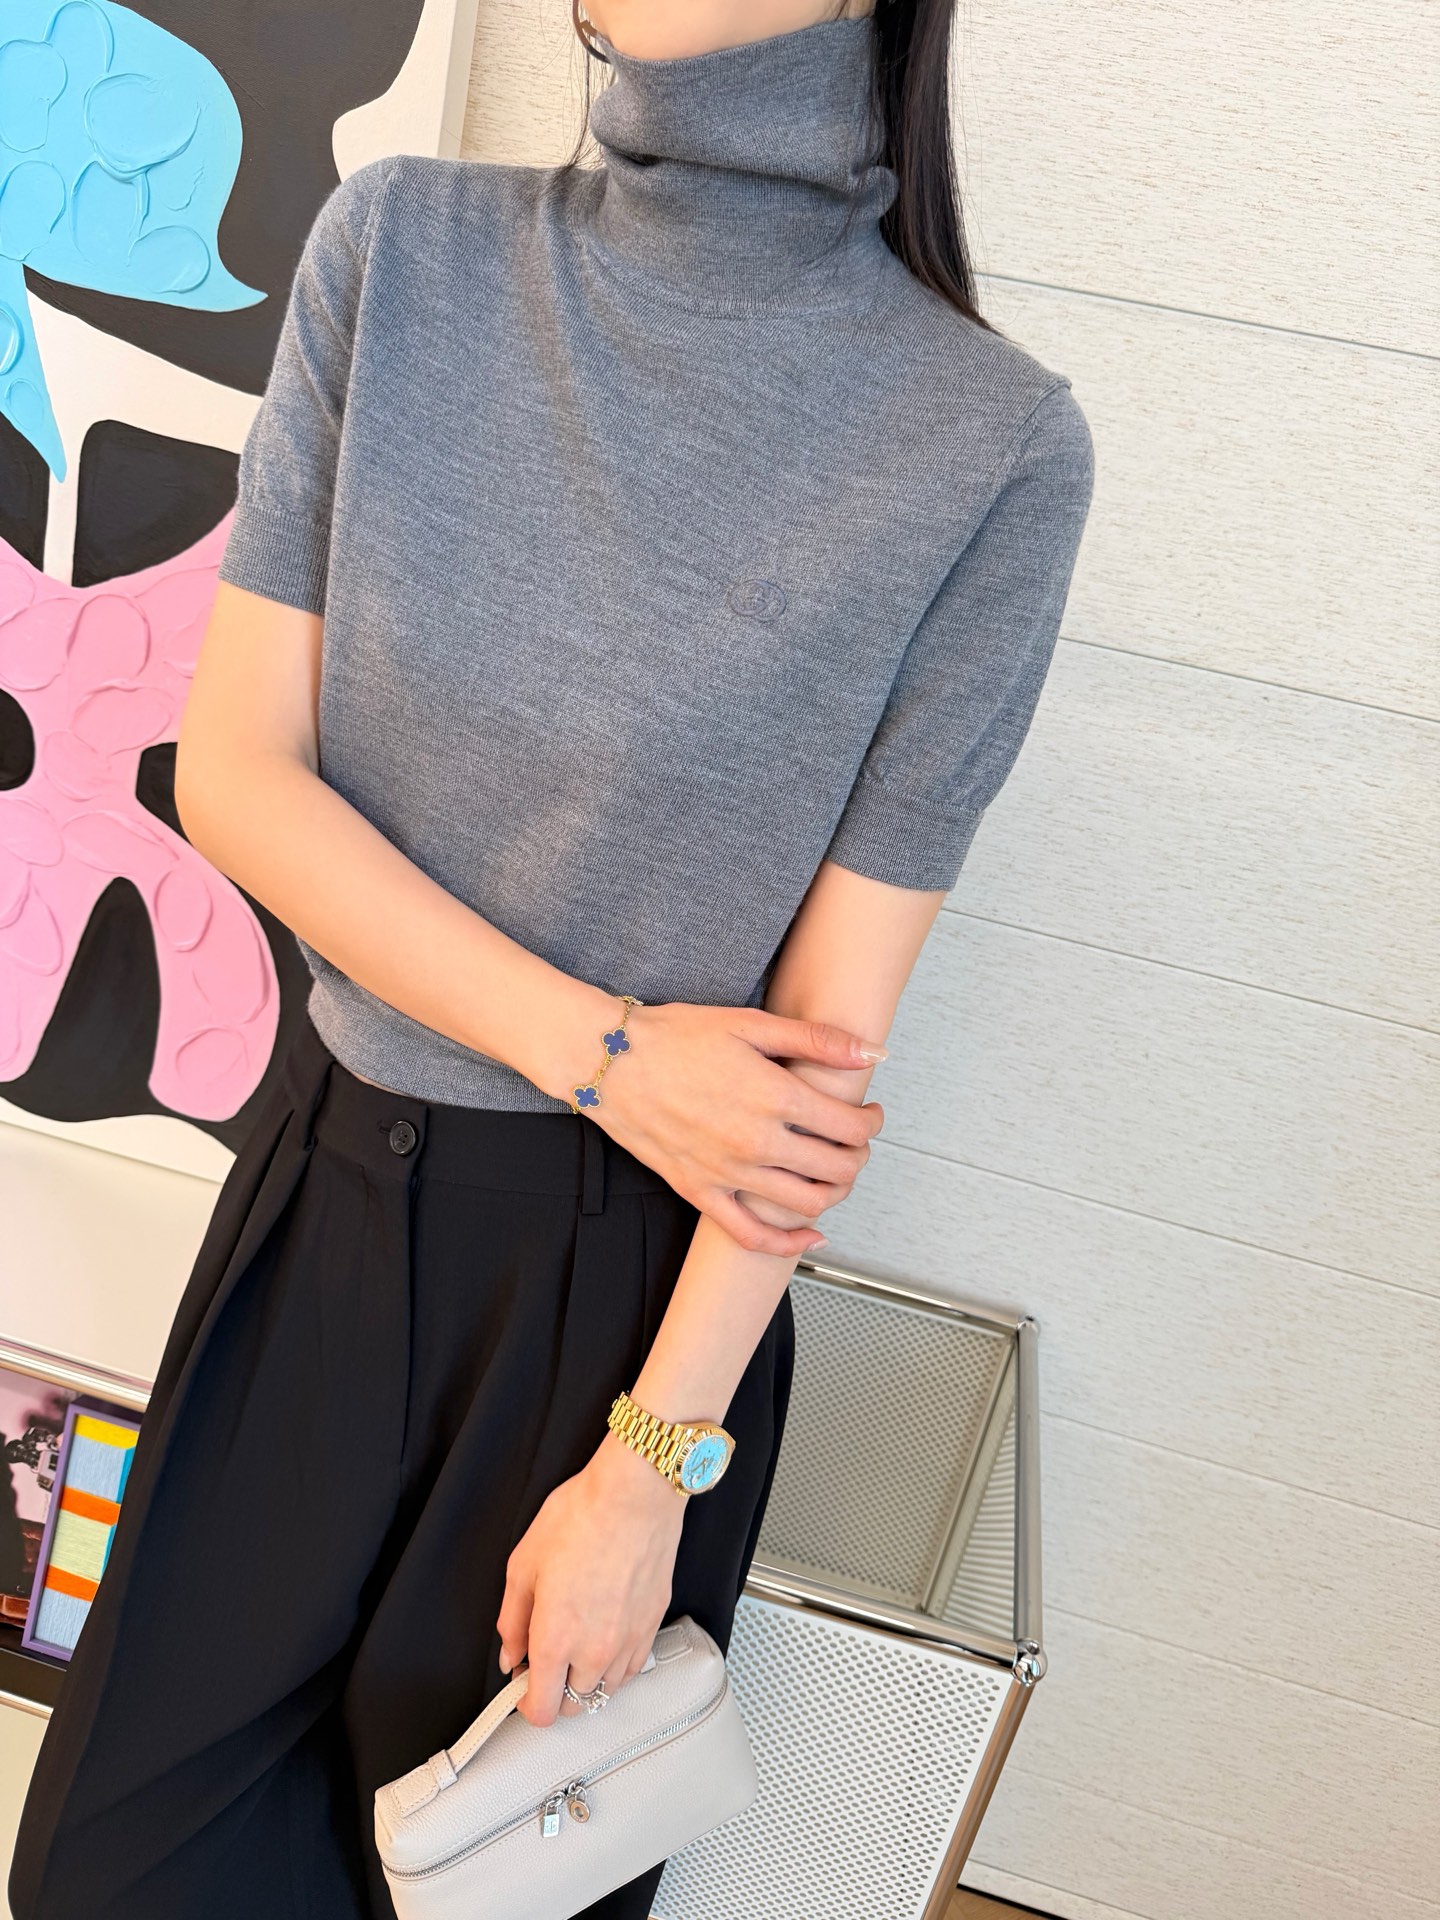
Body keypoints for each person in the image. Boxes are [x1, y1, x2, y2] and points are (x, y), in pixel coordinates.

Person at [8, 0, 1094, 1915]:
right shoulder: (403, 253)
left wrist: (650, 1467)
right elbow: (241, 780)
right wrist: (606, 1049)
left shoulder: (987, 444)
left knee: (470, 1891)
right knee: (110, 1876)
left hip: (622, 1309)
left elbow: (813, 1068)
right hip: (319, 1211)